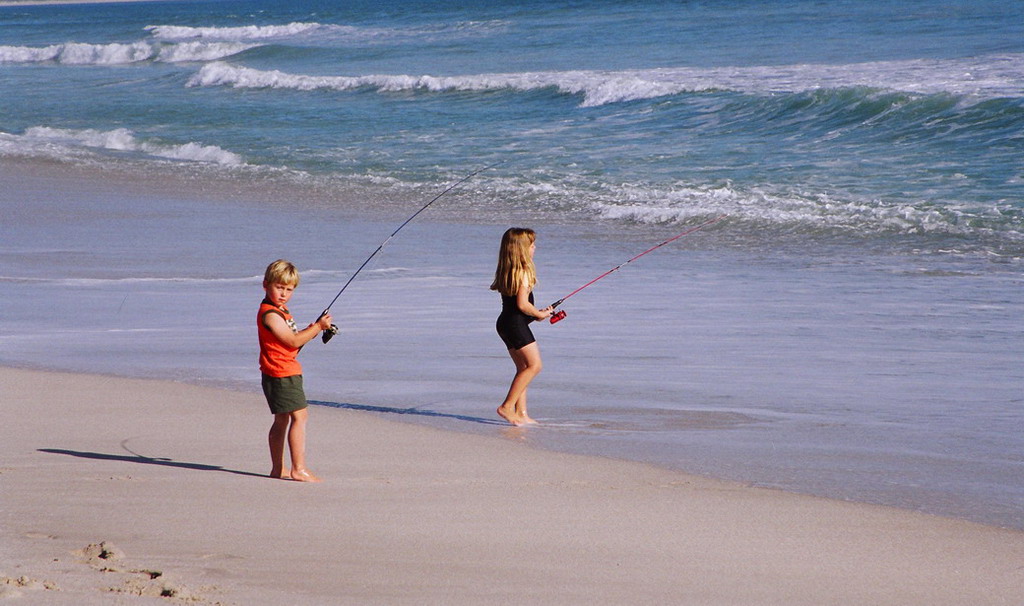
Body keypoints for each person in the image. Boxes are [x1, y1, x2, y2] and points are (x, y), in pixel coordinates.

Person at [257, 259, 334, 482]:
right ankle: (298, 469)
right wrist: (317, 327)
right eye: (279, 288)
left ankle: (277, 469)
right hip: (281, 372)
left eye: (289, 290)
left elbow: (291, 341)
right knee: (299, 417)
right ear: (266, 284)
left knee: (282, 419)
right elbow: (291, 341)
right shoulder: (270, 314)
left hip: (280, 370)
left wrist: (312, 330)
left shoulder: (280, 310)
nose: (283, 294)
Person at [490, 228, 553, 426]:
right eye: (532, 245)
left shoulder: (508, 270)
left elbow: (517, 308)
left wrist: (536, 314)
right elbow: (522, 305)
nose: (535, 248)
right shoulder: (524, 271)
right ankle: (507, 407)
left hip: (506, 324)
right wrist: (540, 313)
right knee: (535, 366)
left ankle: (521, 413)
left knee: (522, 368)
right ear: (522, 249)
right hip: (515, 325)